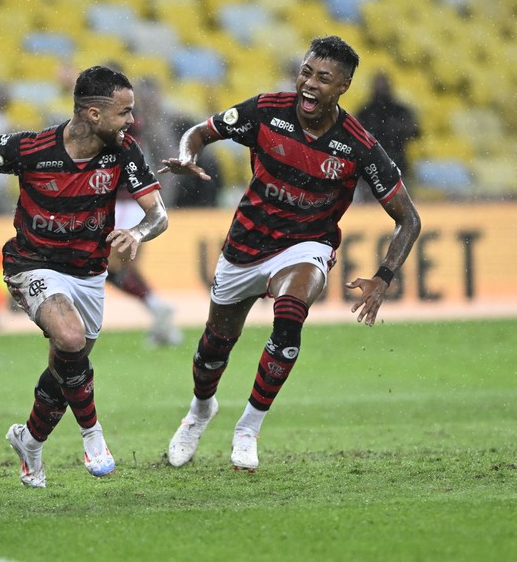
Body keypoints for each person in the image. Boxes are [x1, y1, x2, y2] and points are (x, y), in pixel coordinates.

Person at [159, 36, 422, 472]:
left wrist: (384, 276)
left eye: (324, 78)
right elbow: (201, 132)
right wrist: (187, 155)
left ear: (343, 87)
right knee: (214, 348)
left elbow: (408, 219)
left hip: (305, 245)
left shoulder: (357, 145)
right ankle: (200, 410)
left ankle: (249, 427)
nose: (310, 84)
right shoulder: (266, 110)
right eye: (306, 72)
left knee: (290, 315)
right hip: (246, 243)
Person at [0, 65, 169, 487]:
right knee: (71, 340)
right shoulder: (32, 148)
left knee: (65, 368)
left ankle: (30, 440)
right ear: (93, 113)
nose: (131, 121)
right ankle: (93, 436)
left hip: (88, 273)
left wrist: (137, 232)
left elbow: (158, 215)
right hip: (33, 264)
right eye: (124, 112)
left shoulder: (123, 150)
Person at [108, 76, 182, 347]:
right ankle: (161, 321)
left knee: (108, 268)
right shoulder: (137, 120)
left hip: (123, 203)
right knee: (122, 269)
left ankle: (157, 307)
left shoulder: (116, 123)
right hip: (134, 201)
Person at [355, 70, 420, 184]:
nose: (381, 90)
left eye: (383, 87)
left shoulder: (400, 111)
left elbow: (415, 132)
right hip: (373, 169)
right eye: (379, 87)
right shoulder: (364, 112)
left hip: (396, 164)